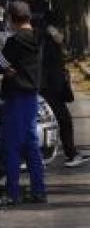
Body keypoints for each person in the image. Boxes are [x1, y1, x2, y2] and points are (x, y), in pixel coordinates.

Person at [0, 1, 47, 206]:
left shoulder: (15, 41)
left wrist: (8, 68)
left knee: (12, 146)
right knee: (32, 145)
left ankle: (12, 193)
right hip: (31, 97)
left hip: (15, 97)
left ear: (12, 19)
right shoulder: (38, 38)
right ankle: (39, 190)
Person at [39, 11, 87, 168]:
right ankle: (70, 153)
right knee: (62, 120)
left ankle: (68, 153)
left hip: (46, 85)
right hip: (51, 86)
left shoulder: (42, 37)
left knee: (52, 120)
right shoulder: (48, 37)